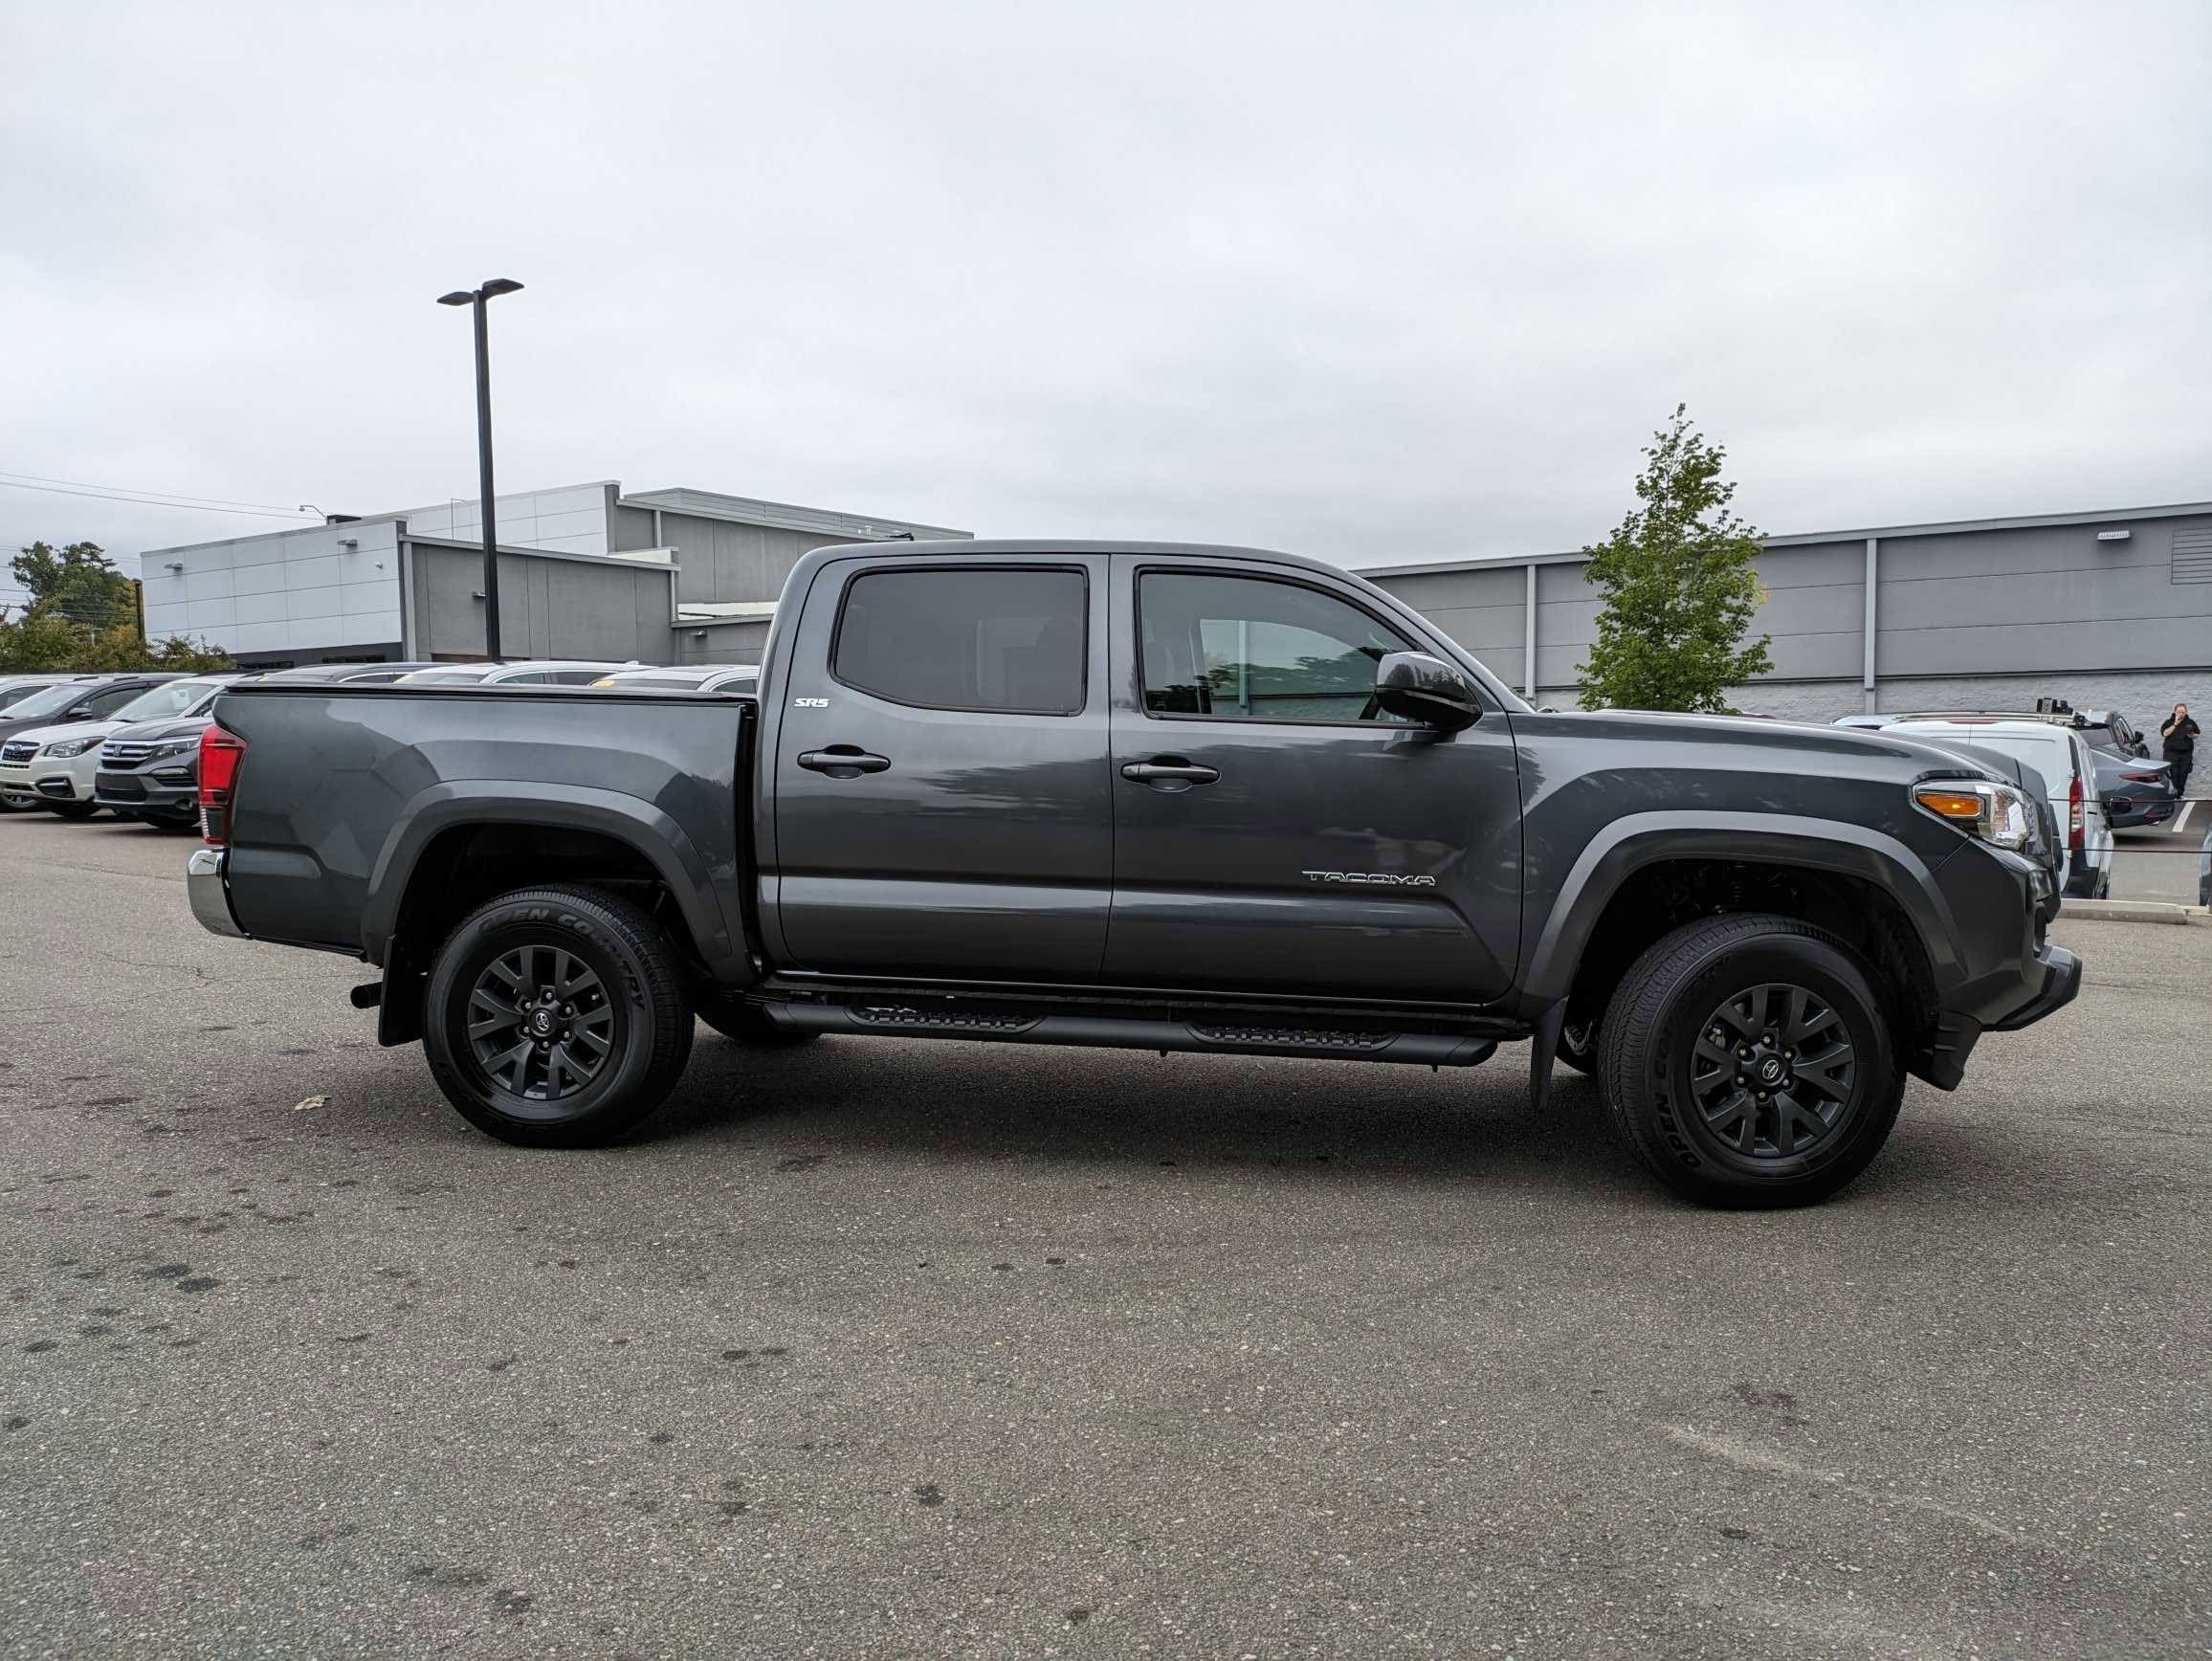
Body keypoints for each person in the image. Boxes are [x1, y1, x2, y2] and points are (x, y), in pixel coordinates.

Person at [2161, 702, 2201, 800]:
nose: (2181, 714)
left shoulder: (2190, 722)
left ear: (2186, 712)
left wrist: (2191, 735)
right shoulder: (2168, 722)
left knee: (2184, 773)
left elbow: (2197, 734)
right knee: (2173, 773)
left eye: (2183, 712)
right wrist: (2175, 724)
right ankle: (2174, 795)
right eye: (2179, 712)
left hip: (2186, 753)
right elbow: (2165, 734)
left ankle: (2180, 794)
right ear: (2175, 712)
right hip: (2171, 753)